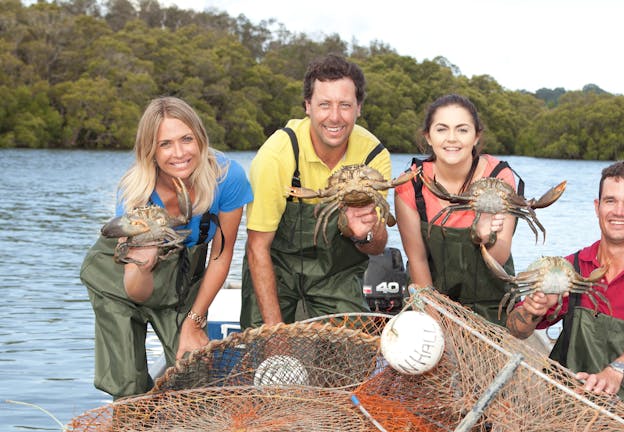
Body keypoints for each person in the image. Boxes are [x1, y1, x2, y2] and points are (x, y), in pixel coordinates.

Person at [80, 97, 252, 399]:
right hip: (122, 284)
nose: (180, 153)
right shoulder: (135, 194)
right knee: (127, 384)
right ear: (151, 151)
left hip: (184, 282)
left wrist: (195, 321)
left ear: (200, 137)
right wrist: (143, 264)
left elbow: (221, 257)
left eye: (187, 139)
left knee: (195, 375)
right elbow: (136, 292)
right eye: (165, 144)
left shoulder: (227, 177)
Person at [505, 159, 624, 432]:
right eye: (610, 201)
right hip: (566, 413)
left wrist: (615, 372)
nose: (618, 211)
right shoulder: (569, 269)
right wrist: (533, 309)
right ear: (597, 206)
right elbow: (516, 329)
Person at [240, 53, 391, 328]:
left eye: (345, 105)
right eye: (324, 105)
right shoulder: (276, 155)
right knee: (263, 357)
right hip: (275, 271)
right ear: (308, 106)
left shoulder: (373, 156)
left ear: (359, 108)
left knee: (354, 359)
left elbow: (377, 246)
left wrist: (364, 233)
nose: (335, 117)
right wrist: (275, 334)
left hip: (337, 278)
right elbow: (257, 247)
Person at [394, 94, 524, 325]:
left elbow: (500, 257)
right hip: (431, 299)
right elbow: (418, 261)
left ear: (476, 137)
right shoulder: (410, 183)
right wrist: (435, 324)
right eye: (442, 129)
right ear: (428, 137)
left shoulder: (499, 178)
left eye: (462, 130)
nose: (452, 139)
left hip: (492, 304)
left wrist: (485, 236)